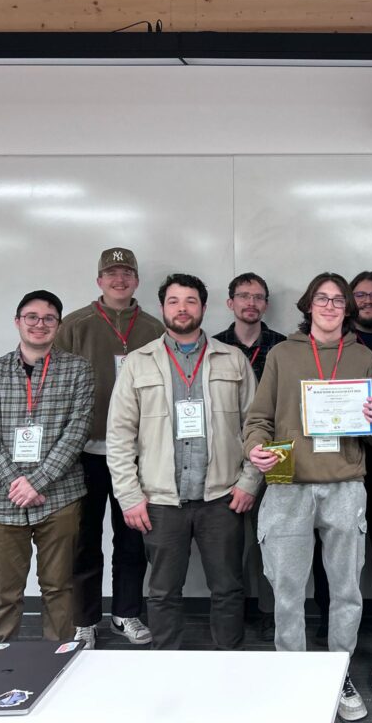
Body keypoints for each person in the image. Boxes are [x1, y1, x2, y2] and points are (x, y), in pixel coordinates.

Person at [244, 272, 372, 722]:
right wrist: (254, 446)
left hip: (345, 485)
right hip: (289, 485)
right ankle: (292, 672)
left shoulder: (363, 357)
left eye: (338, 300)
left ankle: (336, 672)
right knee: (287, 591)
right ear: (309, 306)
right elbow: (258, 418)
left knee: (346, 591)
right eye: (322, 299)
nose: (330, 306)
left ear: (347, 309)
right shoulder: (282, 355)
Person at [106, 273, 260, 650]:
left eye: (191, 301)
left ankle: (229, 660)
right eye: (174, 301)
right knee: (161, 592)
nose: (182, 308)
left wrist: (248, 482)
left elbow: (257, 426)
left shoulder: (233, 359)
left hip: (222, 498)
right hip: (159, 501)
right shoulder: (138, 364)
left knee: (227, 587)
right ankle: (166, 666)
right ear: (162, 309)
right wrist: (129, 496)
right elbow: (119, 436)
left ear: (204, 308)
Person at [0, 290, 94, 642]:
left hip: (59, 499)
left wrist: (38, 482)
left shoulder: (77, 370)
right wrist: (17, 482)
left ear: (58, 325)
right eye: (32, 317)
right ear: (18, 322)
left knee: (59, 588)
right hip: (1, 500)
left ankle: (56, 661)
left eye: (49, 318)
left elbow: (77, 432)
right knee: (5, 592)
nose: (40, 324)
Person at [56, 247, 164, 649]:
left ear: (136, 280)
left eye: (127, 273)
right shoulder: (75, 325)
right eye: (111, 273)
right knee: (84, 538)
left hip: (135, 453)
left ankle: (127, 613)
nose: (120, 280)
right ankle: (84, 619)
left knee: (132, 537)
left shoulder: (154, 328)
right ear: (99, 280)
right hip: (82, 452)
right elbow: (56, 386)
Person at [312, 270, 372, 639]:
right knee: (330, 547)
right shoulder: (333, 344)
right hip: (339, 459)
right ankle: (326, 620)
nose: (367, 300)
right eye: (359, 295)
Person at [212, 272, 286, 641]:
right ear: (230, 303)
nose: (251, 303)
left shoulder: (284, 346)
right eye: (243, 296)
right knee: (231, 544)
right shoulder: (212, 347)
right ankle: (233, 610)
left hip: (275, 459)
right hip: (226, 460)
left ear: (266, 304)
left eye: (258, 297)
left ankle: (272, 613)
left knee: (274, 540)